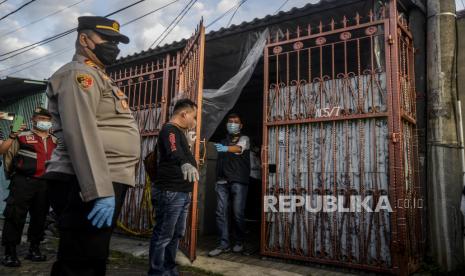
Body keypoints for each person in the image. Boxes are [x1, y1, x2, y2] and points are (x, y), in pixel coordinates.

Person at [43, 16, 140, 275]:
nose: (114, 46)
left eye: (117, 41)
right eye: (106, 39)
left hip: (100, 179)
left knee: (92, 258)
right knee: (80, 262)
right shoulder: (79, 74)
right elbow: (81, 133)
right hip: (88, 181)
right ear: (84, 39)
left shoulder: (98, 76)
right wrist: (98, 190)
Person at [149, 98, 199, 276]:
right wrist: (185, 162)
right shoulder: (169, 129)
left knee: (176, 234)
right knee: (163, 235)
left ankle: (169, 268)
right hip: (171, 192)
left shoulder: (179, 132)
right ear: (184, 114)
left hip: (182, 192)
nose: (195, 122)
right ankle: (156, 272)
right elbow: (173, 151)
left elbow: (178, 149)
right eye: (193, 117)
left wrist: (189, 146)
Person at [1, 107, 56, 267]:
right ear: (33, 120)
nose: (44, 122)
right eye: (40, 119)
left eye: (46, 120)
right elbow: (5, 154)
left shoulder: (55, 140)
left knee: (40, 217)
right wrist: (12, 135)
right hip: (23, 182)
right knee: (15, 216)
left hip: (45, 184)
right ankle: (10, 253)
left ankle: (34, 249)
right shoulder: (22, 137)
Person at [208, 113, 251, 257]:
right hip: (221, 181)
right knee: (221, 212)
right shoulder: (222, 140)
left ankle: (239, 241)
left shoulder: (244, 138)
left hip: (238, 180)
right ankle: (223, 244)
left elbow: (239, 149)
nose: (232, 123)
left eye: (236, 122)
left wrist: (226, 148)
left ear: (241, 125)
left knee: (237, 212)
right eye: (230, 121)